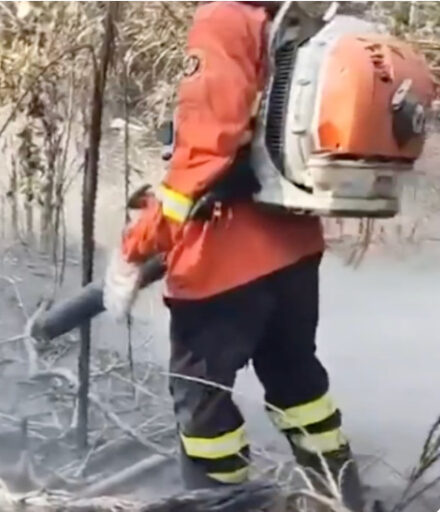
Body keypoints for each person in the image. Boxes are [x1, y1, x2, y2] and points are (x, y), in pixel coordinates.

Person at [102, 2, 366, 510]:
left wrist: (139, 245)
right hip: (293, 245)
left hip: (225, 256)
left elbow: (207, 144)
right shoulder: (289, 19)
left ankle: (220, 502)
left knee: (202, 405)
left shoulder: (225, 19)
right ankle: (343, 497)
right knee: (297, 383)